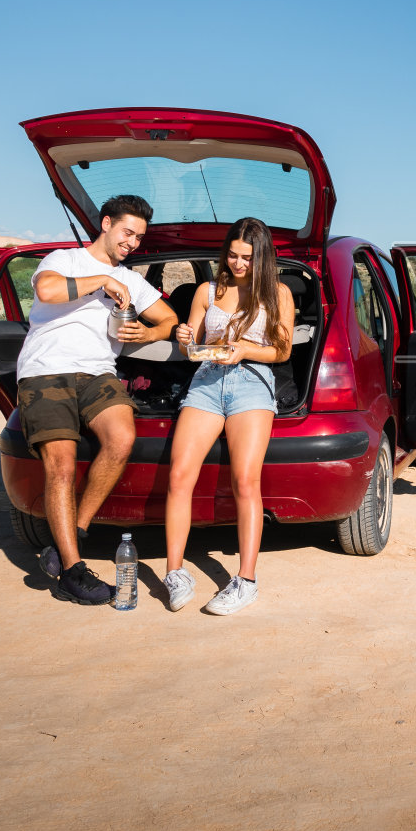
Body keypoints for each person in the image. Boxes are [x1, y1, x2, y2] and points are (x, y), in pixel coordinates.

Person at [16, 194, 179, 605]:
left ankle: (75, 532)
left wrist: (148, 333)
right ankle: (73, 573)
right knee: (61, 467)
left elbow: (170, 320)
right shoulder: (64, 260)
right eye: (128, 232)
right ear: (106, 223)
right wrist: (104, 281)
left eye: (140, 237)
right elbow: (49, 291)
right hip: (45, 371)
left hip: (98, 374)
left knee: (122, 439)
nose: (133, 243)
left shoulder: (133, 281)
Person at [163, 217, 299, 615]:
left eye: (247, 258)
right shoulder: (208, 291)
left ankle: (245, 581)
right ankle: (176, 573)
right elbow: (193, 345)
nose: (238, 264)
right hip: (206, 382)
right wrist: (185, 337)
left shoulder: (279, 293)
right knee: (179, 475)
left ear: (263, 258)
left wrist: (244, 349)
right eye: (233, 255)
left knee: (244, 481)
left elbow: (283, 351)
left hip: (253, 383)